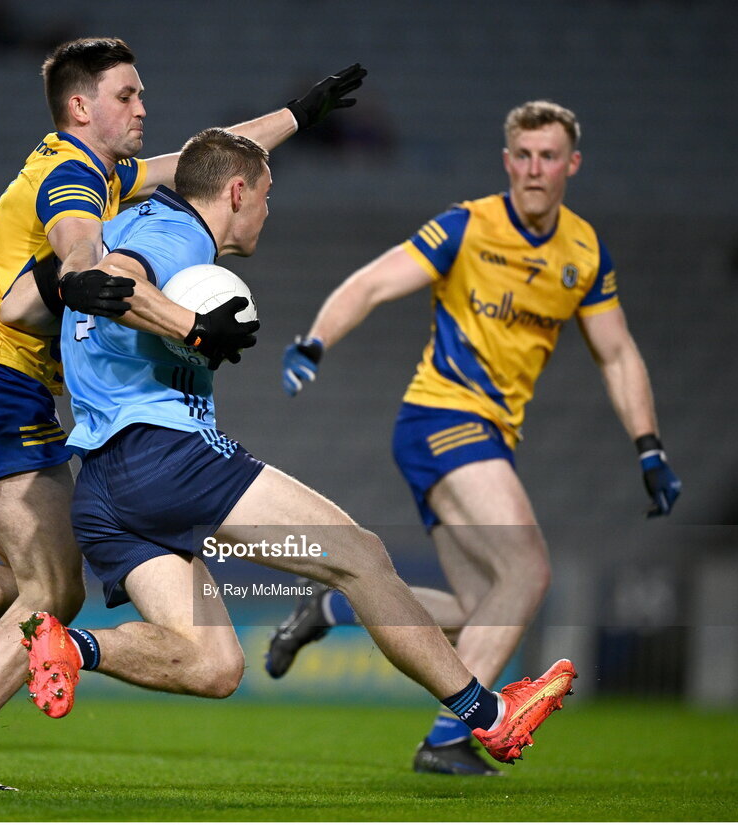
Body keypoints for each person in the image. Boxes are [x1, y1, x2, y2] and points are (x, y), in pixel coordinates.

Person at [0, 37, 367, 792]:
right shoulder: (74, 176)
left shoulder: (102, 170)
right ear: (81, 107)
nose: (142, 105)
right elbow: (78, 249)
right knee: (52, 591)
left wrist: (295, 116)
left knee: (44, 582)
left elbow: (196, 164)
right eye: (127, 95)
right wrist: (177, 319)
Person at [2, 127, 577, 780]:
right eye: (267, 196)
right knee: (360, 556)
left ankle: (69, 647)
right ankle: (487, 716)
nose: (268, 213)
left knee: (214, 664)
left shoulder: (116, 221)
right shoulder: (177, 232)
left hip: (102, 484)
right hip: (165, 454)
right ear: (237, 191)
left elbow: (18, 305)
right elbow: (118, 277)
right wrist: (189, 325)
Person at [264, 100, 682, 776]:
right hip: (440, 416)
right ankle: (450, 734)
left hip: (485, 434)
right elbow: (373, 282)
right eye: (522, 155)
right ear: (506, 161)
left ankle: (333, 605)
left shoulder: (584, 251)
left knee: (475, 608)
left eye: (548, 156)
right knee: (527, 568)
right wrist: (314, 341)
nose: (534, 168)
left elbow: (616, 353)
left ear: (570, 164)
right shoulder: (467, 224)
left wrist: (649, 445)